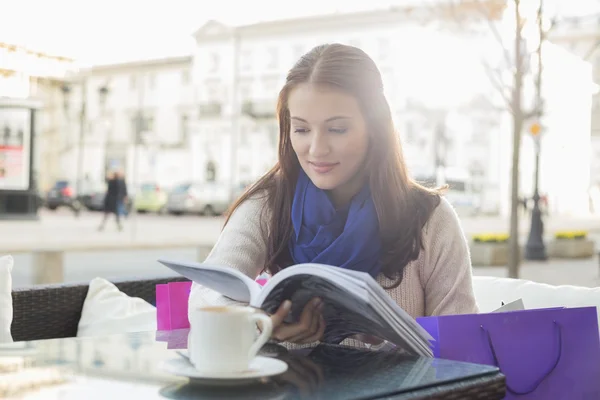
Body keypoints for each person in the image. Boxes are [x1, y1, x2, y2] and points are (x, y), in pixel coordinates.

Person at [189, 43, 478, 348]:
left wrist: (388, 345)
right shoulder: (269, 204)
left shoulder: (431, 218)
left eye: (337, 129)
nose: (316, 149)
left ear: (375, 128)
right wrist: (259, 325)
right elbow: (206, 294)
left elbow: (462, 345)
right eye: (301, 130)